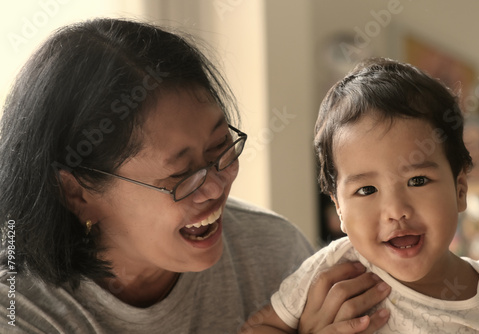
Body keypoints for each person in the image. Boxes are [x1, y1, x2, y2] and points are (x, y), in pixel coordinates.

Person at [0, 19, 390, 333]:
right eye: (182, 174)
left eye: (220, 146)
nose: (217, 186)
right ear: (76, 191)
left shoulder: (273, 252)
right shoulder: (18, 305)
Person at [242, 58, 479, 333]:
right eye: (366, 190)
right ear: (339, 208)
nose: (395, 210)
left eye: (417, 180)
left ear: (460, 190)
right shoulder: (335, 268)